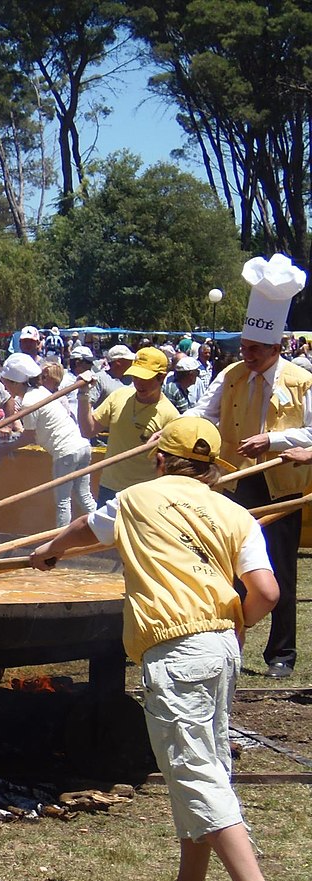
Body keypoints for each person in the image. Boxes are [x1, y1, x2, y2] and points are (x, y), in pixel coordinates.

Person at [28, 417, 289, 881]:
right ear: (212, 467)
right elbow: (266, 591)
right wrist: (236, 624)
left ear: (159, 458)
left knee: (193, 769)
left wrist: (48, 550)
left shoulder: (136, 499)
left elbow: (84, 529)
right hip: (220, 646)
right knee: (206, 765)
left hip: (177, 648)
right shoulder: (236, 512)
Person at [189, 254, 311, 679]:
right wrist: (178, 431)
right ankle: (230, 641)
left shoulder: (301, 380)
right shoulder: (232, 374)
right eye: (244, 348)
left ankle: (281, 654)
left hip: (282, 484)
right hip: (236, 482)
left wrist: (274, 440)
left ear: (277, 347)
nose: (248, 355)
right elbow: (203, 414)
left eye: (256, 350)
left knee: (280, 568)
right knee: (234, 565)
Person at [0, 357, 97, 526]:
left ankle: (59, 546)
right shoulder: (42, 393)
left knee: (63, 502)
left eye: (6, 383)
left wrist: (4, 449)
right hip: (82, 446)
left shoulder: (29, 402)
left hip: (65, 452)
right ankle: (109, 532)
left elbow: (29, 436)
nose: (4, 386)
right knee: (84, 496)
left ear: (16, 383)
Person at [78, 347, 180, 505]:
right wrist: (83, 395)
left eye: (146, 378)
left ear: (161, 377)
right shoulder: (119, 396)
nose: (139, 383)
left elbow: (171, 465)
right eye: (136, 376)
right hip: (109, 487)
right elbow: (88, 430)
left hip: (143, 493)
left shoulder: (170, 415)